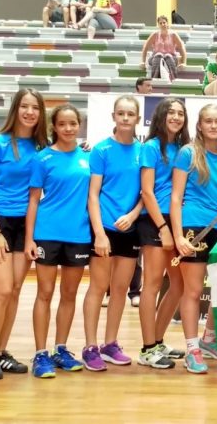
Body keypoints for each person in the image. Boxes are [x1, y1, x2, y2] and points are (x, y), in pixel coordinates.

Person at [0, 88, 49, 380]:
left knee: (16, 289)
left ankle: (3, 352)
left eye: (35, 108)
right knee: (3, 289)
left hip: (28, 223)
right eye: (25, 106)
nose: (30, 112)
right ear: (15, 110)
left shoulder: (43, 146)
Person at [172, 104, 217, 373]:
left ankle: (209, 340)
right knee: (192, 291)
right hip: (193, 226)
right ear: (199, 125)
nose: (214, 126)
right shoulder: (188, 153)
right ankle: (192, 349)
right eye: (208, 121)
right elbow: (176, 197)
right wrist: (178, 235)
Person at [24, 105, 91, 379]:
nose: (68, 128)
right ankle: (40, 354)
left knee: (69, 294)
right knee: (45, 293)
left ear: (79, 125)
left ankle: (60, 349)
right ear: (55, 127)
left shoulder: (89, 158)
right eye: (62, 124)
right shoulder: (42, 159)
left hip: (79, 234)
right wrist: (29, 238)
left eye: (73, 123)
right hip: (47, 233)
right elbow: (32, 199)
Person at [80, 96, 145, 372]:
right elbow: (93, 195)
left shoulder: (144, 152)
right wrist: (99, 233)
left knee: (120, 289)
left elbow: (146, 193)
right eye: (121, 113)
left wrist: (132, 215)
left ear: (138, 119)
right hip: (104, 229)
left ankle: (110, 344)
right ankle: (90, 346)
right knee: (98, 287)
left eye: (131, 113)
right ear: (114, 116)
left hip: (130, 230)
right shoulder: (102, 151)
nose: (126, 118)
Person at [137, 98, 192, 367]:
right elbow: (147, 191)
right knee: (153, 284)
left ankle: (157, 341)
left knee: (178, 285)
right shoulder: (150, 147)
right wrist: (162, 228)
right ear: (161, 116)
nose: (176, 117)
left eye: (180, 113)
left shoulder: (183, 149)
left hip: (176, 219)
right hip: (154, 222)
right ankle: (147, 349)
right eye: (171, 112)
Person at [140, 15, 186, 81]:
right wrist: (143, 62)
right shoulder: (154, 34)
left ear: (167, 23)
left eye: (164, 22)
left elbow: (182, 48)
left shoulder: (173, 35)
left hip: (171, 58)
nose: (163, 24)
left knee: (168, 56)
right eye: (160, 23)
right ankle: (154, 81)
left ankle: (173, 80)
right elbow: (145, 47)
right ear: (158, 25)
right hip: (156, 57)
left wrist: (184, 63)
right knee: (159, 55)